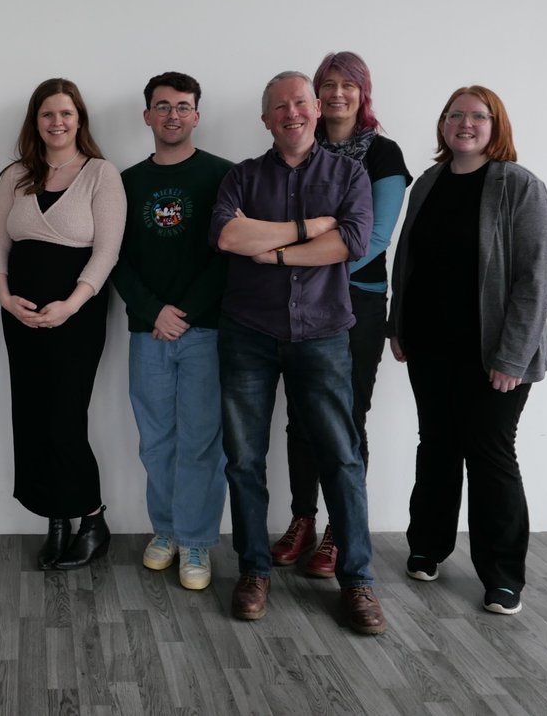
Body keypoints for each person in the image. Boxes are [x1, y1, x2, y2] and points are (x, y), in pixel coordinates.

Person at [210, 70, 386, 635]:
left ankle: (357, 581)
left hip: (325, 334)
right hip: (248, 335)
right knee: (244, 459)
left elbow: (351, 243)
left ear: (316, 109)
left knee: (341, 456)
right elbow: (230, 238)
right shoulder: (241, 176)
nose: (292, 113)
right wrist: (310, 228)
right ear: (265, 119)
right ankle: (253, 570)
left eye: (300, 103)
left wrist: (279, 252)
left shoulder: (349, 173)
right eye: (279, 106)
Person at [389, 85, 547, 616]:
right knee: (435, 445)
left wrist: (511, 357)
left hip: (494, 355)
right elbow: (407, 261)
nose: (465, 123)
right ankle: (428, 548)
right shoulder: (430, 183)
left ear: (495, 125)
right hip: (432, 346)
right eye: (454, 115)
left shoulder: (519, 186)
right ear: (442, 125)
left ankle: (504, 576)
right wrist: (399, 326)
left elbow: (536, 277)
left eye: (477, 116)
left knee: (490, 454)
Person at [271, 52, 412, 578]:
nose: (335, 95)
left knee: (346, 418)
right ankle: (302, 520)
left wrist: (297, 247)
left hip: (357, 301)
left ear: (363, 92)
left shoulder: (383, 154)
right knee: (301, 417)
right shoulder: (299, 146)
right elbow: (277, 221)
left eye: (346, 85)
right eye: (326, 85)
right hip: (297, 298)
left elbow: (371, 240)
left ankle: (339, 531)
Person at [0, 77, 126, 571]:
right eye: (48, 114)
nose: (57, 122)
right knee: (31, 415)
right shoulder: (15, 176)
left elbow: (107, 251)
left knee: (66, 417)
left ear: (79, 119)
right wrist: (5, 298)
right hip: (21, 315)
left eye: (66, 113)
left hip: (78, 315)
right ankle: (56, 519)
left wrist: (71, 304)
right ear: (36, 121)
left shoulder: (101, 174)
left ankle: (92, 519)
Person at [112, 71, 232, 590]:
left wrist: (182, 311)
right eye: (163, 106)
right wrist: (153, 311)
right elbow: (113, 258)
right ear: (147, 116)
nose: (173, 115)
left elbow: (228, 254)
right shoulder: (126, 181)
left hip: (205, 331)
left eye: (183, 106)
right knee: (156, 440)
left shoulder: (224, 176)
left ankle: (198, 540)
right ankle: (164, 531)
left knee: (202, 442)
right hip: (147, 333)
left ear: (197, 115)